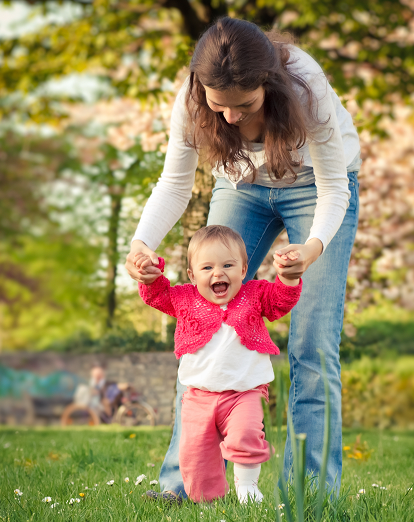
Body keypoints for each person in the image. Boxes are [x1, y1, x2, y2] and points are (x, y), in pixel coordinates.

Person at [125, 17, 361, 501]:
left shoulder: (305, 86)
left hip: (316, 189)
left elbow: (335, 187)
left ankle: (310, 494)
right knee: (201, 324)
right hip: (242, 189)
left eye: (245, 105)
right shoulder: (193, 98)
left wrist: (311, 250)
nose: (230, 118)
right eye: (220, 105)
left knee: (312, 347)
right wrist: (140, 243)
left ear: (268, 84)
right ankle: (182, 487)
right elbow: (174, 183)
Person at [136, 225, 301, 503]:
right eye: (207, 267)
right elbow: (157, 295)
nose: (218, 273)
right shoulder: (185, 298)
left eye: (227, 265)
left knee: (247, 435)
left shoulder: (255, 294)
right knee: (195, 455)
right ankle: (209, 502)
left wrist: (288, 279)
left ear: (243, 269)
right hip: (199, 396)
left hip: (245, 392)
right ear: (192, 275)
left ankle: (248, 487)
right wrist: (150, 275)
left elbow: (280, 302)